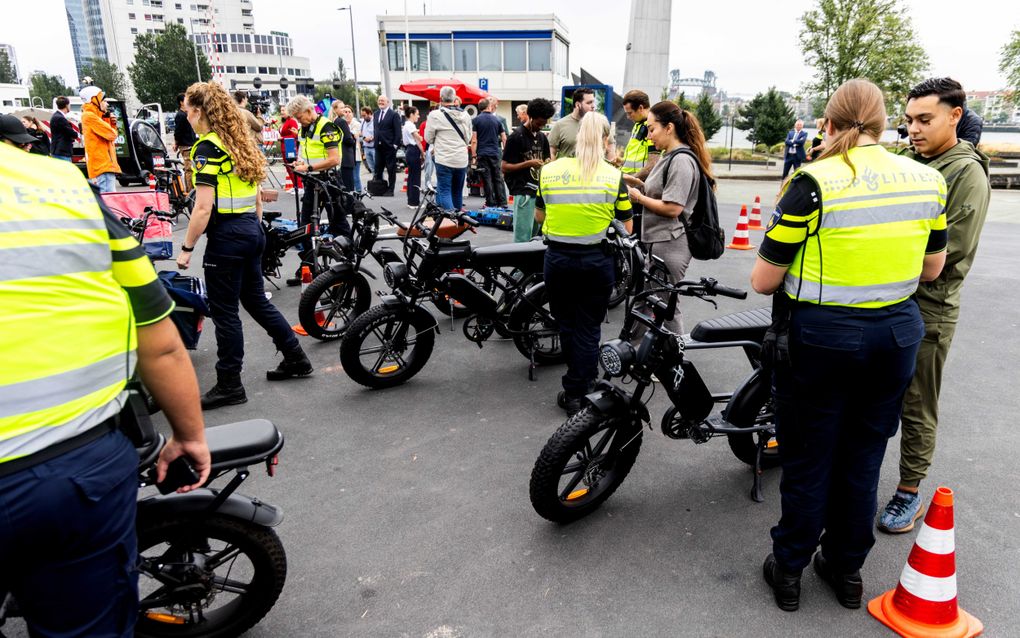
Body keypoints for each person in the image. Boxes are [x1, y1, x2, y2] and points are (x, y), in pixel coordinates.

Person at [749, 79, 947, 612]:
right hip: (896, 336)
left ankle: (789, 569)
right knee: (863, 458)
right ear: (885, 124)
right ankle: (846, 569)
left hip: (823, 341)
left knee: (811, 458)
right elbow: (933, 269)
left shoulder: (812, 181)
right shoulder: (928, 181)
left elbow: (765, 280)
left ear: (829, 123)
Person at [0, 139, 210, 636]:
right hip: (71, 468)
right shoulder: (60, 184)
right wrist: (189, 434)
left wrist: (187, 249)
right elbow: (160, 342)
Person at [878, 77, 991, 534]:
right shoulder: (908, 159)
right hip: (883, 299)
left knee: (917, 401)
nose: (914, 130)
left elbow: (948, 256)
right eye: (908, 121)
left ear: (955, 116)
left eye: (925, 120)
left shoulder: (966, 173)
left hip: (929, 307)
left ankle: (909, 490)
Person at [178, 82, 313, 410]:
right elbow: (255, 198)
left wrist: (187, 247)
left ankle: (229, 384)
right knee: (255, 300)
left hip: (228, 235)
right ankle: (296, 357)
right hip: (251, 230)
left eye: (187, 110)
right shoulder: (237, 140)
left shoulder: (207, 147)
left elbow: (202, 207)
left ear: (199, 111)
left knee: (225, 313)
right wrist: (252, 227)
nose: (186, 117)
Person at [536, 111, 633, 415]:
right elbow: (627, 227)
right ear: (606, 140)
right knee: (589, 327)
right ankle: (582, 388)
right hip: (596, 262)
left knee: (566, 324)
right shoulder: (612, 175)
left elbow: (539, 216)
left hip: (558, 260)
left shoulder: (549, 171)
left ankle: (574, 388)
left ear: (577, 137)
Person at [627, 101, 712, 334]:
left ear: (669, 128)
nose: (648, 135)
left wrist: (639, 198)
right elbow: (662, 191)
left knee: (667, 307)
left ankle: (675, 362)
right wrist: (640, 185)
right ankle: (636, 353)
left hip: (671, 243)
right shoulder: (669, 156)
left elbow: (673, 207)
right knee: (648, 300)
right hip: (660, 241)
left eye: (652, 129)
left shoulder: (681, 160)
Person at [287, 94, 347, 283]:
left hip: (328, 181)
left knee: (338, 223)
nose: (298, 121)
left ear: (308, 110)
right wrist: (300, 162)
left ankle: (346, 263)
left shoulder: (327, 127)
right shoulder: (303, 129)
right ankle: (308, 269)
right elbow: (305, 152)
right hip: (311, 182)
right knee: (306, 226)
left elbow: (334, 159)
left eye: (299, 116)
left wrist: (309, 167)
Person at [502, 97, 554, 242]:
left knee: (536, 237)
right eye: (539, 123)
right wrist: (528, 163)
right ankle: (520, 264)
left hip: (538, 193)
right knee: (522, 238)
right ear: (530, 117)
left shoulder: (543, 137)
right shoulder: (516, 137)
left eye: (544, 123)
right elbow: (504, 167)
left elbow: (546, 160)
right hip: (523, 192)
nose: (541, 127)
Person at [424, 86, 472, 212]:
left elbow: (428, 138)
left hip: (444, 158)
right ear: (455, 98)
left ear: (440, 98)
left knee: (445, 191)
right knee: (457, 191)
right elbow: (469, 138)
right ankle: (457, 221)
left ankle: (451, 220)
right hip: (461, 159)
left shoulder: (435, 115)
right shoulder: (466, 115)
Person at [79, 85, 121, 192]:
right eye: (104, 100)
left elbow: (108, 136)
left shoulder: (93, 116)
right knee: (108, 200)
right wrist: (110, 125)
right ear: (94, 100)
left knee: (108, 200)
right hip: (103, 165)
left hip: (104, 165)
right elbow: (112, 135)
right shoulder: (89, 116)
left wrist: (109, 121)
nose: (106, 104)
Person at [471, 98, 509, 208]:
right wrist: (505, 151)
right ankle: (502, 202)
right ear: (489, 107)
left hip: (482, 153)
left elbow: (474, 140)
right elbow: (504, 137)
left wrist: (474, 155)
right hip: (495, 153)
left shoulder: (476, 120)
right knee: (498, 177)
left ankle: (490, 202)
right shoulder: (497, 120)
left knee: (486, 179)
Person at [618, 90, 660, 183]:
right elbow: (637, 159)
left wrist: (631, 180)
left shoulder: (651, 128)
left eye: (630, 113)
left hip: (640, 184)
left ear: (641, 108)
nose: (628, 117)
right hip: (631, 181)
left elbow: (653, 164)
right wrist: (621, 161)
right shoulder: (638, 125)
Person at [548, 87, 597, 159]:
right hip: (566, 169)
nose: (593, 106)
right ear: (577, 105)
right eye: (589, 103)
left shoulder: (599, 125)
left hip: (591, 169)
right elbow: (551, 152)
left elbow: (609, 148)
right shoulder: (560, 125)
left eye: (593, 102)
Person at [372, 95, 402, 195]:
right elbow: (376, 129)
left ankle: (390, 189)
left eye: (383, 101)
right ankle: (379, 188)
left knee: (391, 169)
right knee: (378, 168)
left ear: (388, 102)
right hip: (378, 146)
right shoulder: (376, 114)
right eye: (379, 100)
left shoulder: (394, 114)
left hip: (389, 147)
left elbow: (398, 132)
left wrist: (395, 145)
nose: (380, 102)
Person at [174, 92, 198, 191]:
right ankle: (189, 191)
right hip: (185, 145)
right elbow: (177, 131)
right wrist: (176, 143)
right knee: (189, 169)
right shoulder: (180, 115)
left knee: (192, 167)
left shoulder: (187, 114)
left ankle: (192, 189)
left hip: (191, 143)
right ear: (181, 102)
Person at [331, 100, 356, 191]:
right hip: (346, 156)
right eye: (341, 108)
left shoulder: (333, 121)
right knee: (349, 186)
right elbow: (348, 140)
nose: (343, 109)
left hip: (339, 155)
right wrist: (353, 138)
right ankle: (350, 204)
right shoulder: (341, 122)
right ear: (335, 109)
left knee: (342, 185)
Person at [402, 105, 423, 208]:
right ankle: (414, 202)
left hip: (410, 150)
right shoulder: (410, 125)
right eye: (417, 114)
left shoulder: (407, 125)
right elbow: (418, 139)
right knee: (415, 177)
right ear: (411, 114)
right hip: (413, 150)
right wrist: (423, 152)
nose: (418, 117)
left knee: (411, 177)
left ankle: (411, 201)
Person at [49, 95, 77, 161]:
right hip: (62, 152)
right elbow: (72, 133)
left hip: (58, 151)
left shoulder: (57, 116)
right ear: (66, 105)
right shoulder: (60, 118)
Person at [344, 106, 363, 192]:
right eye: (345, 112)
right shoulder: (342, 124)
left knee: (355, 176)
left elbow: (354, 136)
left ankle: (358, 193)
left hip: (355, 153)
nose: (347, 114)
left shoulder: (357, 124)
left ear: (353, 114)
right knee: (348, 177)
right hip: (345, 154)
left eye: (349, 112)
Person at [360, 105, 376, 174]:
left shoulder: (375, 122)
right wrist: (364, 138)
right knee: (371, 168)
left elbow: (379, 133)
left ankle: (380, 183)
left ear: (369, 113)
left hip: (374, 148)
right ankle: (375, 183)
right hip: (366, 148)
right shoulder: (362, 122)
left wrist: (372, 138)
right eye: (362, 116)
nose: (363, 117)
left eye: (364, 115)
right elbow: (359, 134)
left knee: (378, 168)